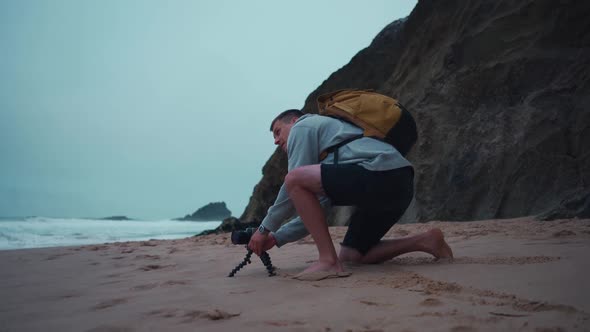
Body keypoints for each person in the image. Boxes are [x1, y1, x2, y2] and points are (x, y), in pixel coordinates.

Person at [248, 109, 453, 278]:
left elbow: (291, 185)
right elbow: (315, 211)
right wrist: (276, 238)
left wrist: (264, 229)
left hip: (382, 172)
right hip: (398, 183)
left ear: (294, 120)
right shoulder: (330, 157)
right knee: (352, 255)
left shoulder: (304, 125)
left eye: (278, 131)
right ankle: (427, 240)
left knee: (293, 178)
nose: (276, 141)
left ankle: (327, 261)